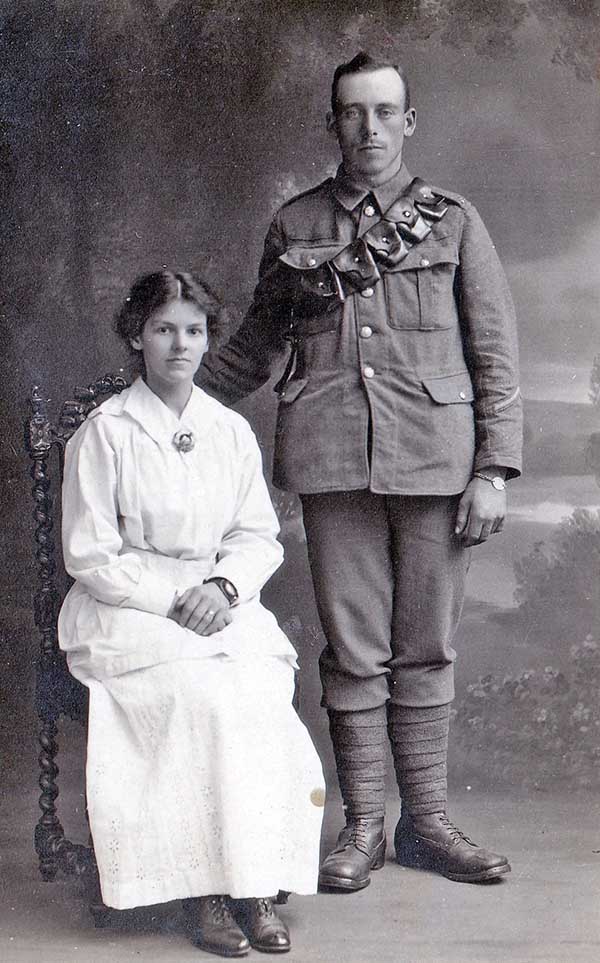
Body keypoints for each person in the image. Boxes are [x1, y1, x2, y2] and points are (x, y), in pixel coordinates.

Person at [198, 52, 523, 891]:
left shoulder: (452, 219)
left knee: (427, 645)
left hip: (436, 459)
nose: (370, 128)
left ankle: (430, 824)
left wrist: (495, 467)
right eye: (353, 113)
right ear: (332, 123)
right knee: (352, 650)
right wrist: (162, 400)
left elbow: (493, 353)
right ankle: (364, 828)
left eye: (385, 112)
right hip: (331, 455)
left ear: (408, 123)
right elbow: (258, 347)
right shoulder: (295, 225)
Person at [57, 270, 325, 956]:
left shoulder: (228, 430)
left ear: (209, 340)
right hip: (128, 603)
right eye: (163, 328)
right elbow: (90, 554)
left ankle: (253, 880)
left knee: (257, 690)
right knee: (197, 693)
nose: (180, 344)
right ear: (136, 336)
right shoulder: (106, 431)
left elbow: (256, 535)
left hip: (215, 598)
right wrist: (172, 599)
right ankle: (202, 889)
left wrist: (226, 590)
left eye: (195, 330)